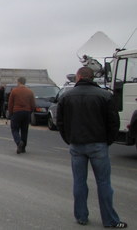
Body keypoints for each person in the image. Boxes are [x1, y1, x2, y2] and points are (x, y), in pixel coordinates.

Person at [57, 67, 126, 228]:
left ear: (79, 77)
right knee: (104, 183)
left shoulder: (66, 96)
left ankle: (81, 216)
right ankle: (110, 220)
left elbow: (60, 122)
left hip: (76, 144)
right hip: (98, 143)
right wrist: (107, 140)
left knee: (79, 182)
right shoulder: (105, 96)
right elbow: (114, 122)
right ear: (92, 77)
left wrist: (69, 139)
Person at [7, 77, 35, 154]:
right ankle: (23, 148)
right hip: (26, 112)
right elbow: (33, 104)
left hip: (17, 112)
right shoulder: (30, 92)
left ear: (19, 82)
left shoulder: (14, 91)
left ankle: (19, 142)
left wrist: (10, 113)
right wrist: (30, 111)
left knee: (14, 129)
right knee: (24, 130)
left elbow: (10, 103)